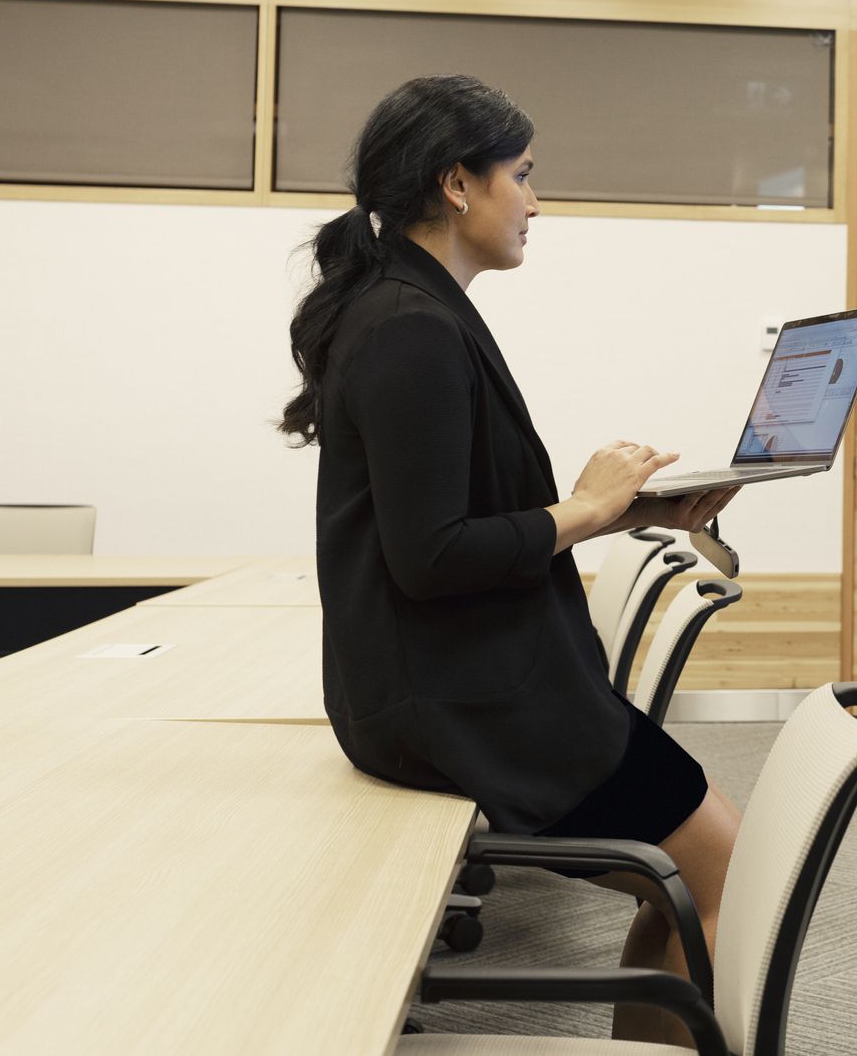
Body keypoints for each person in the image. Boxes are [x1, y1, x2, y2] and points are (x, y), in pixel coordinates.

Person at [279, 74, 738, 1046]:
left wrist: (617, 513)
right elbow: (432, 555)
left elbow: (452, 524)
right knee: (724, 860)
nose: (535, 201)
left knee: (702, 868)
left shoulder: (411, 307)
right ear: (457, 183)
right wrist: (580, 506)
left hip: (459, 678)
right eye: (521, 176)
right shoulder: (410, 326)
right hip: (460, 703)